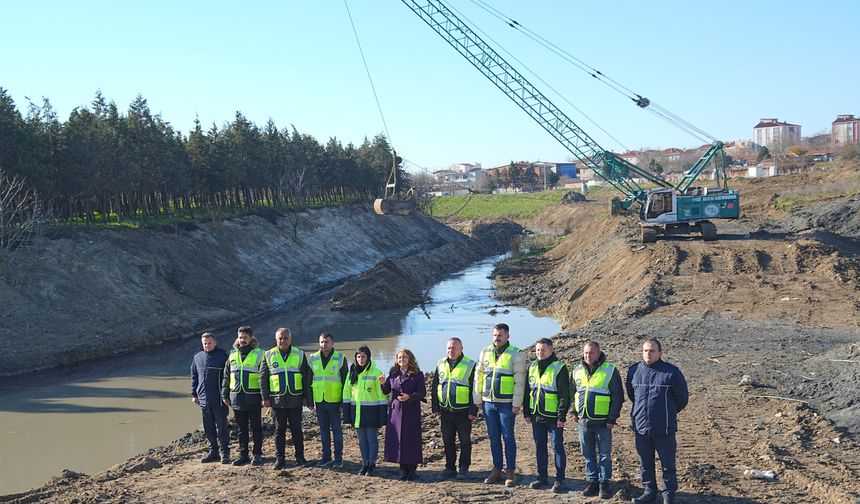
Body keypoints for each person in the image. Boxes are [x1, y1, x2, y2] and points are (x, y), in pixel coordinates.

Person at [626, 338, 689, 504]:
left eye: (652, 351)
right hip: (641, 427)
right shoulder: (634, 371)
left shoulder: (671, 372)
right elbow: (632, 395)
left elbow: (682, 398)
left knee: (668, 465)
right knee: (645, 463)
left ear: (660, 353)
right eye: (645, 350)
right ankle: (649, 491)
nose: (648, 353)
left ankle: (668, 495)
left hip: (664, 428)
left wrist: (667, 412)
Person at [474, 323, 527, 487]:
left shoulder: (516, 354)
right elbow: (478, 376)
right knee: (493, 437)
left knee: (508, 437)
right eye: (495, 335)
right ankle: (496, 469)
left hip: (506, 404)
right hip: (488, 403)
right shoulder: (485, 351)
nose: (497, 338)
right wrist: (477, 398)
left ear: (507, 336)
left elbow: (520, 381)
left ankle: (510, 471)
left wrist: (516, 404)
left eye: (500, 335)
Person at [571, 339, 624, 499]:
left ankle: (604, 483)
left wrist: (612, 418)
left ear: (599, 353)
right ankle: (592, 481)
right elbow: (572, 392)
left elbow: (617, 397)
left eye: (591, 353)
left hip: (603, 422)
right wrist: (573, 411)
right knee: (587, 453)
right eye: (586, 353)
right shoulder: (577, 370)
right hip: (583, 421)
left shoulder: (610, 370)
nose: (588, 356)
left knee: (604, 455)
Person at [260, 327, 314, 470]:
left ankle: (300, 457)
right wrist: (265, 398)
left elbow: (306, 378)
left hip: (295, 399)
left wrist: (306, 398)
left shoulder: (299, 354)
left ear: (290, 339)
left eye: (286, 338)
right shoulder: (268, 355)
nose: (283, 341)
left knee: (297, 430)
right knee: (279, 431)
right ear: (276, 339)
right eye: (280, 338)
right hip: (277, 400)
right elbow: (263, 378)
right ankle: (280, 459)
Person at [523, 337, 570, 494]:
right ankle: (542, 477)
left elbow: (564, 395)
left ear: (551, 350)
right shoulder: (532, 366)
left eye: (543, 350)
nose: (539, 352)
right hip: (536, 415)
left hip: (553, 417)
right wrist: (526, 412)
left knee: (557, 447)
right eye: (537, 350)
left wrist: (561, 416)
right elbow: (527, 391)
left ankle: (560, 479)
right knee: (540, 447)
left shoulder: (559, 368)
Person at [431, 337, 477, 480]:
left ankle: (464, 467)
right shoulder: (441, 363)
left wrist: (473, 410)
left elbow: (475, 389)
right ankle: (450, 467)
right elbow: (435, 386)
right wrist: (435, 407)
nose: (451, 350)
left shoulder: (470, 364)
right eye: (449, 348)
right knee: (447, 441)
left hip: (463, 411)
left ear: (461, 349)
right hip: (445, 410)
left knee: (465, 441)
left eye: (454, 348)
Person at [222, 326, 264, 466]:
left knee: (256, 428)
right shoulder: (232, 354)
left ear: (251, 338)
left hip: (254, 397)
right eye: (240, 337)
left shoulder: (260, 354)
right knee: (241, 429)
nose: (242, 340)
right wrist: (225, 394)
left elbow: (264, 377)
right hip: (236, 397)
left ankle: (257, 454)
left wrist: (265, 397)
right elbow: (226, 376)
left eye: (245, 337)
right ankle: (243, 455)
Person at [382, 348, 426, 481]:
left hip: (411, 411)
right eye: (399, 357)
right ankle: (402, 470)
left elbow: (422, 393)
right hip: (396, 412)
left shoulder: (417, 374)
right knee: (398, 440)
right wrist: (383, 382)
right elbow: (386, 391)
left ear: (410, 359)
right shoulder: (393, 374)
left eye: (404, 357)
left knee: (411, 440)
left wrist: (409, 397)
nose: (402, 359)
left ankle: (412, 470)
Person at [342, 345, 387, 476]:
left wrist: (382, 414)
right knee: (362, 440)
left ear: (368, 358)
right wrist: (347, 412)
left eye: (363, 356)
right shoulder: (352, 373)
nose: (361, 359)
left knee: (372, 439)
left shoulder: (376, 373)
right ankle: (365, 463)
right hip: (357, 412)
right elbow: (346, 392)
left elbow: (382, 395)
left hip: (372, 412)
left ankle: (372, 464)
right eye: (358, 357)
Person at [308, 331, 348, 468]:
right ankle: (326, 457)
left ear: (332, 343)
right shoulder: (313, 358)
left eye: (326, 342)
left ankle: (338, 458)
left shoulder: (340, 358)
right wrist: (309, 401)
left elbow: (346, 381)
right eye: (321, 342)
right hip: (320, 400)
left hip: (335, 400)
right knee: (323, 430)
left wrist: (343, 401)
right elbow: (308, 380)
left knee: (337, 430)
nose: (324, 344)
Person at [191, 332, 231, 464]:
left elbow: (229, 378)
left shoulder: (223, 357)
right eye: (204, 343)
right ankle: (213, 451)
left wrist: (227, 395)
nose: (207, 345)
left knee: (222, 428)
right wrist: (194, 394)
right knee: (208, 428)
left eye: (209, 343)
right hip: (203, 399)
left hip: (219, 400)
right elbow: (194, 377)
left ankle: (225, 453)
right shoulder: (197, 357)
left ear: (215, 342)